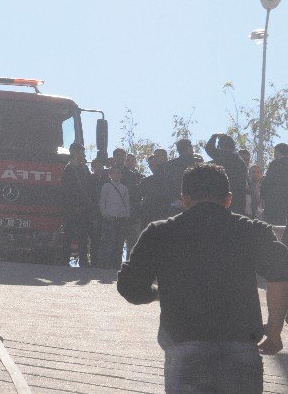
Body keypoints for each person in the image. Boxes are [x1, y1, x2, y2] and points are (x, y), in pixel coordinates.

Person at [117, 164, 288, 394]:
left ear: (185, 199)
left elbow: (130, 287)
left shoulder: (160, 232)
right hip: (241, 348)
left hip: (184, 347)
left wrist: (159, 293)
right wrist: (275, 328)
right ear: (228, 199)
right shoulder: (252, 230)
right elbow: (279, 275)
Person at [61, 143, 94, 266]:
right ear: (75, 153)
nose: (84, 155)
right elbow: (67, 191)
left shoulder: (85, 169)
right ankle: (64, 261)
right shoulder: (68, 169)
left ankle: (84, 262)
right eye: (82, 152)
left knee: (83, 236)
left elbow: (89, 188)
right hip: (71, 209)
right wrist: (75, 206)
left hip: (84, 208)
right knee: (68, 235)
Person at [205, 133, 248, 214]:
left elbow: (209, 149)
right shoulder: (241, 162)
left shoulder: (221, 156)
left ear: (220, 146)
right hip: (237, 201)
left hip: (219, 199)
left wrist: (214, 136)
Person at [98, 166, 131, 269]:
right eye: (115, 173)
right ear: (110, 175)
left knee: (119, 242)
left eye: (119, 173)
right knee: (108, 241)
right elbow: (102, 201)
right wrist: (104, 214)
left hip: (121, 218)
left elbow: (127, 203)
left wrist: (127, 215)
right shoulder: (106, 186)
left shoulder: (124, 188)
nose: (117, 175)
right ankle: (104, 264)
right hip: (109, 217)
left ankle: (116, 264)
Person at [112, 148, 143, 254]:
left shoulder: (131, 175)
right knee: (115, 243)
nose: (120, 158)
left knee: (132, 244)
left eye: (122, 155)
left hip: (129, 213)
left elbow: (135, 194)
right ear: (114, 157)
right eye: (118, 155)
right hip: (113, 214)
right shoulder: (108, 173)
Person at [163, 139, 202, 216]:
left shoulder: (170, 165)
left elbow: (167, 184)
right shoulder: (197, 162)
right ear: (189, 148)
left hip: (176, 203)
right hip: (195, 202)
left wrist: (174, 199)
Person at [261, 143, 288, 226]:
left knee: (271, 229)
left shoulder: (275, 164)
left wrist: (263, 194)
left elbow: (267, 183)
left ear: (278, 152)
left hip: (273, 204)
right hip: (285, 204)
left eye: (274, 153)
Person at [88, 158, 108, 267]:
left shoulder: (106, 181)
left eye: (101, 166)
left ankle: (102, 263)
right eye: (97, 166)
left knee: (103, 239)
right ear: (93, 167)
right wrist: (93, 216)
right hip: (93, 214)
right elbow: (91, 199)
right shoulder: (89, 180)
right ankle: (94, 263)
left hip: (104, 214)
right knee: (94, 240)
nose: (99, 168)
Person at [138, 155, 168, 229]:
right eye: (151, 165)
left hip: (165, 212)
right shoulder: (145, 181)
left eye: (155, 163)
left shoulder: (168, 177)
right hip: (150, 214)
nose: (153, 166)